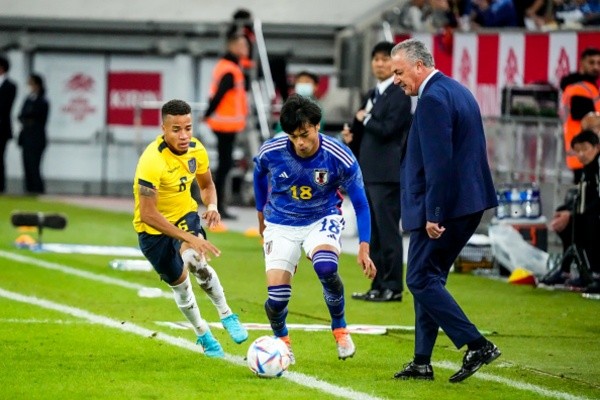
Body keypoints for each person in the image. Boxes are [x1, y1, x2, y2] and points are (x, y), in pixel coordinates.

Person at [390, 39, 500, 383]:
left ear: (419, 67)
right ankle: (421, 362)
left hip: (445, 207)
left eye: (399, 71)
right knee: (429, 279)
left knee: (420, 278)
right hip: (466, 201)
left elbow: (440, 163)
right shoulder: (457, 90)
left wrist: (434, 212)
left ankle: (477, 344)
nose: (396, 79)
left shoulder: (433, 99)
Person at [253, 94, 377, 363]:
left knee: (326, 266)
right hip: (280, 223)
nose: (299, 142)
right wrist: (261, 215)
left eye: (304, 134)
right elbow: (258, 174)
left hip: (321, 218)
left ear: (316, 125)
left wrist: (364, 246)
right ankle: (282, 341)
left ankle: (340, 328)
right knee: (276, 300)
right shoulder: (272, 150)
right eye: (293, 136)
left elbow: (361, 204)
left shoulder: (339, 156)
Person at [134, 99, 248, 358]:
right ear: (163, 128)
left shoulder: (197, 150)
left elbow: (207, 186)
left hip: (185, 215)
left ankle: (226, 314)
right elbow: (148, 214)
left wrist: (213, 205)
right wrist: (187, 237)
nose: (184, 135)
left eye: (188, 128)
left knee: (196, 260)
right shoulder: (152, 160)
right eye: (176, 129)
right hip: (152, 232)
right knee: (181, 286)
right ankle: (203, 334)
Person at [342, 41, 412, 303]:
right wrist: (352, 136)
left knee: (388, 230)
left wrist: (366, 120)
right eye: (376, 59)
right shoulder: (373, 93)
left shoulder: (399, 94)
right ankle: (377, 284)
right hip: (368, 171)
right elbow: (363, 130)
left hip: (387, 173)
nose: (380, 64)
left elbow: (390, 129)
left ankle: (393, 286)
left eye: (385, 59)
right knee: (374, 233)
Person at [544, 130, 600, 292]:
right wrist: (566, 211)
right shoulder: (587, 170)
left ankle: (591, 274)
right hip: (587, 215)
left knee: (587, 225)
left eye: (585, 149)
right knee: (568, 226)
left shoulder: (597, 167)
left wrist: (572, 214)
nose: (581, 154)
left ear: (597, 147)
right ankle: (576, 272)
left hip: (594, 217)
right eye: (578, 151)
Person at [204, 32, 249, 220]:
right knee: (224, 168)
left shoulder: (228, 66)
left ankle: (219, 204)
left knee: (224, 166)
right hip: (225, 125)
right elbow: (220, 94)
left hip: (225, 125)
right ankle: (218, 205)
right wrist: (208, 113)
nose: (246, 49)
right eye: (243, 45)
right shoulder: (230, 69)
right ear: (233, 47)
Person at [559, 47, 600, 183]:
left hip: (582, 153)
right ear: (582, 63)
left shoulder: (581, 86)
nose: (596, 67)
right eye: (592, 62)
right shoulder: (580, 88)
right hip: (586, 153)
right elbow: (587, 120)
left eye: (599, 63)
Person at [17, 74, 49, 195]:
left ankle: (37, 190)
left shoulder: (43, 101)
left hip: (37, 138)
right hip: (26, 137)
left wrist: (29, 118)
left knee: (34, 165)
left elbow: (39, 118)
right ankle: (28, 189)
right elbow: (21, 115)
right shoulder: (28, 99)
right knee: (26, 165)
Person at [0, 55, 17, 193]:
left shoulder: (11, 86)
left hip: (2, 127)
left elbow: (6, 107)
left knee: (0, 157)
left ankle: (1, 186)